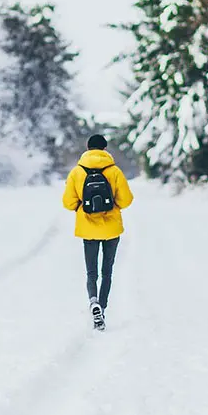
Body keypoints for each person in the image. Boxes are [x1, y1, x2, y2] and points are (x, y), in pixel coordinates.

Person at [62, 134, 134, 330]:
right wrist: (113, 206)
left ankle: (93, 301)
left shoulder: (77, 172)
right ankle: (102, 308)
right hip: (111, 229)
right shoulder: (115, 171)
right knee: (107, 271)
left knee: (91, 272)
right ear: (104, 148)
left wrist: (81, 206)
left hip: (88, 228)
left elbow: (68, 203)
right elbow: (127, 200)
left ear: (88, 148)